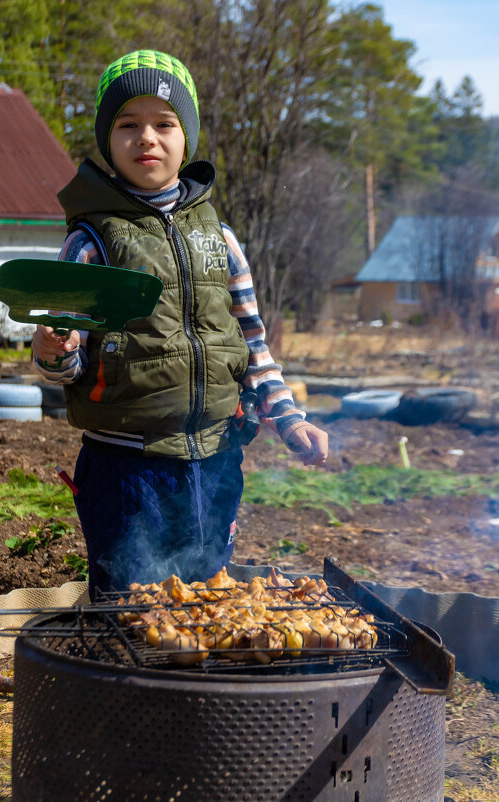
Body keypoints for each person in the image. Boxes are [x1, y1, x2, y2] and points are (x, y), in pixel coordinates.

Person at [32, 49, 329, 598]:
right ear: (107, 140)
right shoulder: (89, 243)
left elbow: (252, 344)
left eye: (164, 124)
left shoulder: (221, 238)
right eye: (127, 125)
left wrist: (289, 419)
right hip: (125, 467)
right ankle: (120, 684)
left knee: (206, 602)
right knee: (129, 606)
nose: (146, 137)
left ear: (185, 138)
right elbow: (63, 367)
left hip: (215, 463)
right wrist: (55, 347)